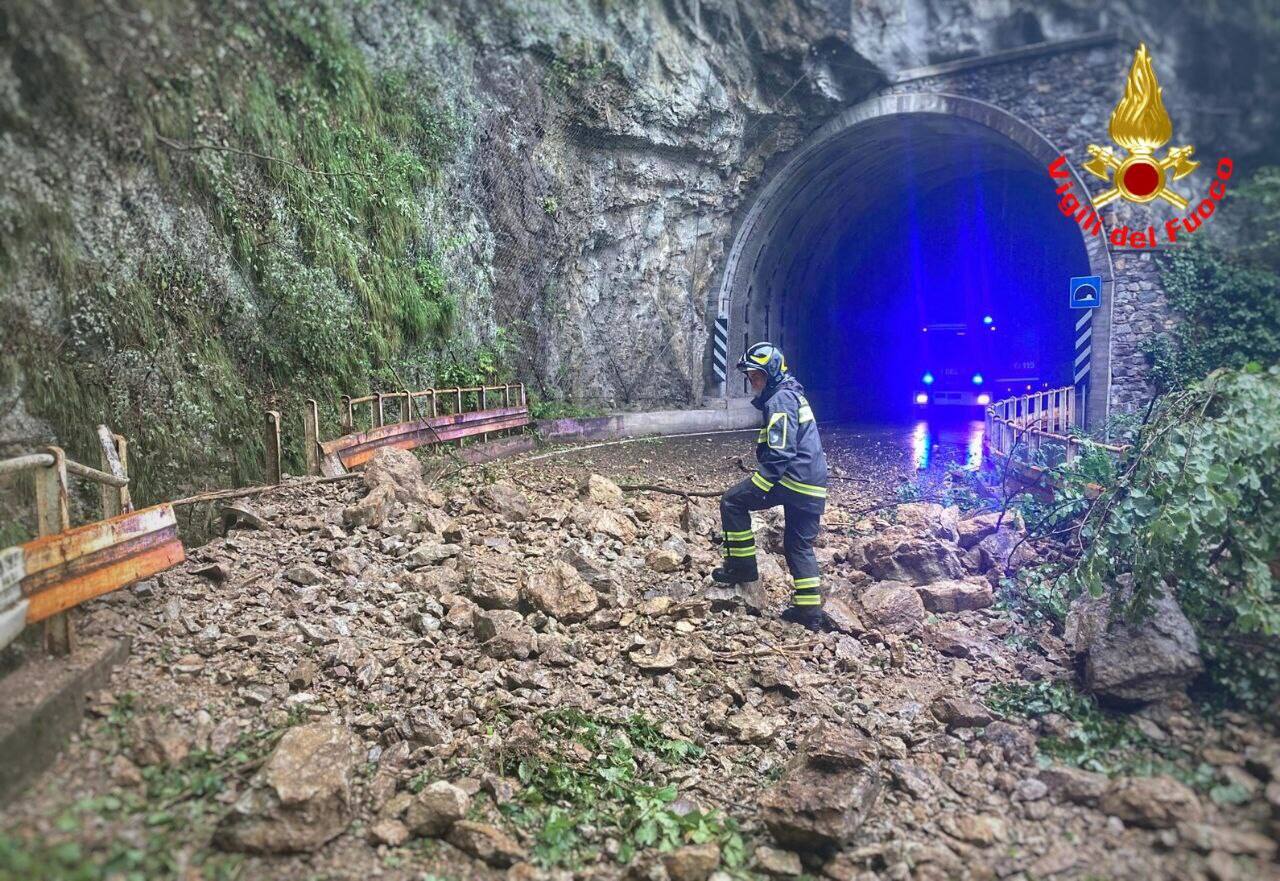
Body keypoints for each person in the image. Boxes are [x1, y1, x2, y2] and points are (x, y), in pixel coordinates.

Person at [713, 341, 829, 631]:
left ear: (772, 373)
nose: (753, 382)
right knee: (798, 544)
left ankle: (742, 569)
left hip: (792, 479)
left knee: (732, 501)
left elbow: (781, 451)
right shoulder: (793, 396)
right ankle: (810, 611)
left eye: (757, 376)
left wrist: (761, 485)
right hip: (813, 484)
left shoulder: (780, 400)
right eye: (751, 377)